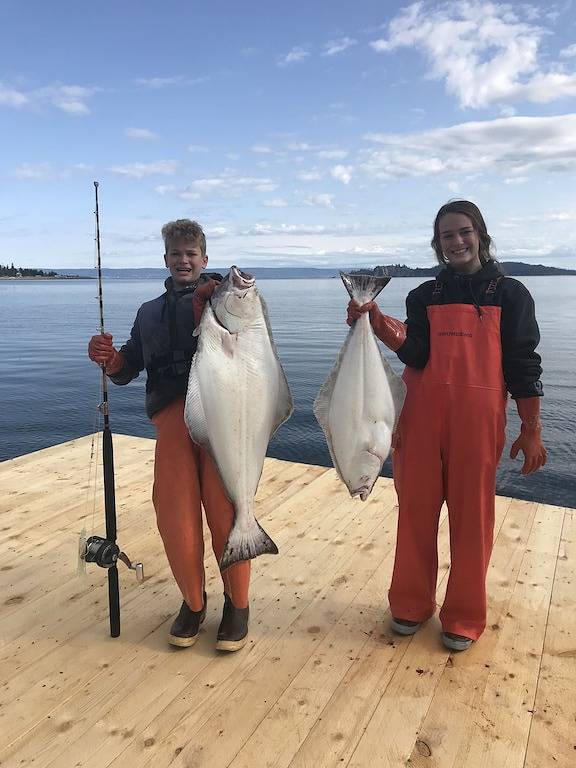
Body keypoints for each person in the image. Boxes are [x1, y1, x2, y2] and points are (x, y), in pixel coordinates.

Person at [347, 200, 546, 652]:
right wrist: (376, 322)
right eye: (446, 236)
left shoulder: (510, 293)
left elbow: (522, 364)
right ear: (437, 245)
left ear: (480, 234)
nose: (456, 242)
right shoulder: (424, 296)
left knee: (472, 519)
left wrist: (530, 426)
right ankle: (411, 604)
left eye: (463, 232)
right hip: (419, 418)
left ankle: (464, 615)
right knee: (415, 513)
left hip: (477, 423)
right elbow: (416, 353)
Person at [88, 219, 250, 652]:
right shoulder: (148, 312)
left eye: (191, 254)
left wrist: (215, 297)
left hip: (220, 421)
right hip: (172, 423)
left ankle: (238, 604)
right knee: (174, 515)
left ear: (204, 260)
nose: (183, 260)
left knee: (225, 511)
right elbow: (130, 366)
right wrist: (111, 361)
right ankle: (194, 603)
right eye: (176, 254)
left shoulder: (225, 300)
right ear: (166, 259)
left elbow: (251, 340)